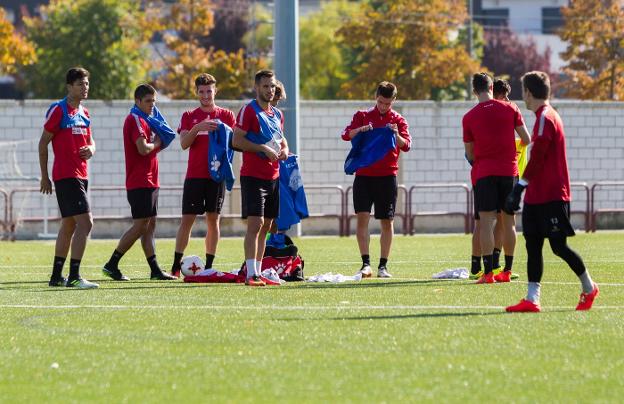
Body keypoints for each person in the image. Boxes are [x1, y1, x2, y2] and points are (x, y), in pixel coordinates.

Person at [504, 71, 599, 312]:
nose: (522, 96)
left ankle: (589, 287)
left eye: (523, 90)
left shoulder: (547, 116)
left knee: (559, 246)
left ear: (528, 92)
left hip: (553, 194)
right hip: (536, 195)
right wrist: (525, 189)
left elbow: (538, 157)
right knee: (532, 245)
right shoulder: (541, 117)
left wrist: (519, 187)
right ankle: (532, 298)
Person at [102, 84, 176, 281]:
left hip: (151, 179)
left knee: (149, 226)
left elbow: (148, 150)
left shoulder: (147, 119)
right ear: (138, 101)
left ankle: (155, 270)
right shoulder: (134, 119)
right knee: (141, 225)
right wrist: (159, 143)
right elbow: (143, 149)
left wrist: (158, 143)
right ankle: (112, 264)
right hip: (140, 181)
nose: (152, 105)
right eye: (148, 101)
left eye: (154, 101)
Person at [463, 73, 531, 284]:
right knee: (509, 223)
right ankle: (507, 271)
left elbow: (470, 153)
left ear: (474, 91)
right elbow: (527, 139)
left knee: (485, 223)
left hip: (484, 172)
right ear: (492, 87)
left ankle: (488, 274)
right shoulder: (511, 109)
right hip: (509, 172)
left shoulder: (469, 117)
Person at [342, 81, 411, 278]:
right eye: (381, 102)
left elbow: (407, 145)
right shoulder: (362, 116)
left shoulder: (398, 120)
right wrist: (361, 130)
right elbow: (345, 135)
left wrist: (396, 135)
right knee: (362, 218)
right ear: (376, 97)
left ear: (394, 101)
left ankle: (383, 266)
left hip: (387, 177)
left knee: (386, 222)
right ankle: (366, 264)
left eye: (388, 104)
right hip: (364, 177)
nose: (384, 107)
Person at [169, 74, 236, 277]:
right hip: (194, 176)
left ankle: (208, 266)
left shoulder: (226, 115)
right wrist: (198, 128)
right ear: (196, 92)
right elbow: (183, 144)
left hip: (216, 177)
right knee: (187, 220)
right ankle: (175, 266)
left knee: (213, 220)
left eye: (209, 91)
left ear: (216, 91)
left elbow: (233, 144)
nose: (206, 95)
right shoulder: (189, 115)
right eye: (202, 91)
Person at [39, 67, 98, 289]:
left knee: (69, 225)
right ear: (69, 87)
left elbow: (92, 141)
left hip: (81, 174)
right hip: (66, 175)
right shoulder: (59, 110)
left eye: (87, 84)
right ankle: (74, 275)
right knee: (87, 222)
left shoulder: (85, 113)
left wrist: (91, 149)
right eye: (80, 84)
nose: (85, 88)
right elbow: (43, 143)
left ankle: (56, 276)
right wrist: (45, 177)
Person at [232, 70, 289, 286]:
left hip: (273, 175)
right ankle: (250, 274)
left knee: (268, 225)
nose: (269, 90)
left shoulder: (277, 114)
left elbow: (282, 141)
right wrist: (261, 148)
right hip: (253, 175)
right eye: (265, 86)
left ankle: (258, 271)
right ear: (257, 88)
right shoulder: (249, 111)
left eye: (272, 86)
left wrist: (284, 150)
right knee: (256, 224)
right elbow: (237, 141)